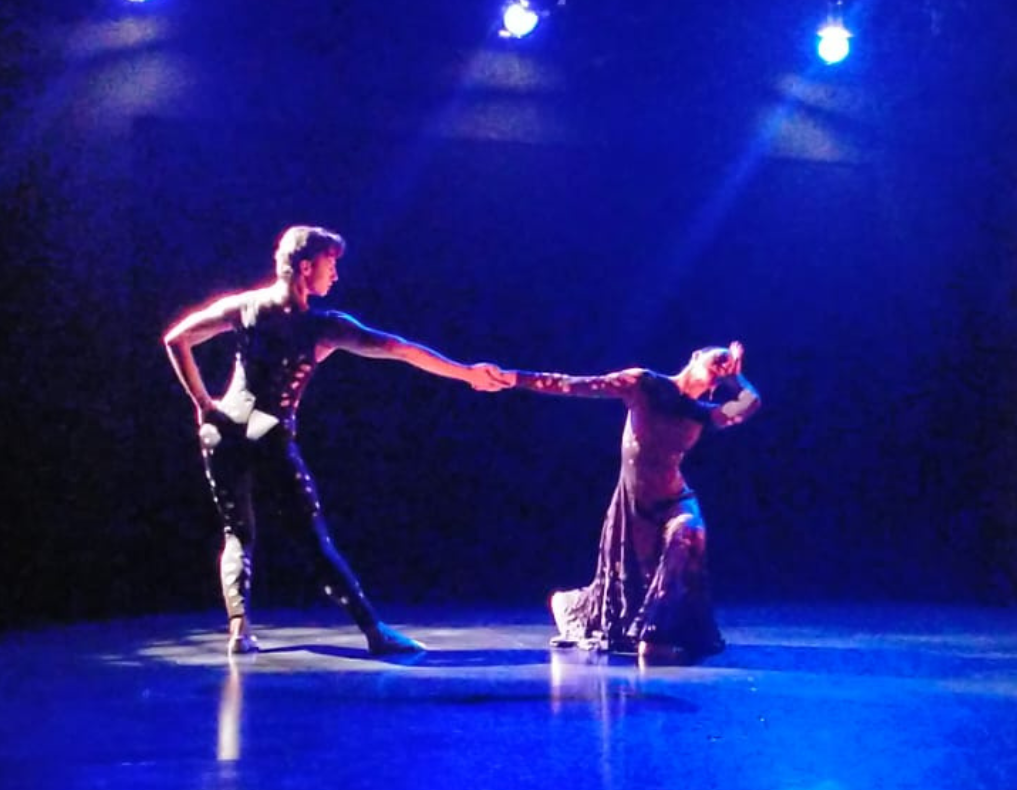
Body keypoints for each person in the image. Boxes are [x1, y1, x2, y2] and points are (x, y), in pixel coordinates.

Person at [162, 225, 508, 655]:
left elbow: (177, 338)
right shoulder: (321, 327)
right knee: (313, 540)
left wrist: (204, 403)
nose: (336, 275)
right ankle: (375, 633)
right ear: (306, 267)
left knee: (238, 533)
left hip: (224, 431)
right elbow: (396, 348)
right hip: (268, 434)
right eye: (332, 264)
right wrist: (466, 374)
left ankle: (239, 631)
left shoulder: (244, 307)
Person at [501, 342, 760, 663]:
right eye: (717, 358)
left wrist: (737, 379)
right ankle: (570, 605)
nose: (722, 365)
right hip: (634, 506)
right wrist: (512, 377)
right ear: (694, 356)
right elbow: (572, 384)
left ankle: (655, 637)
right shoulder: (644, 384)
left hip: (676, 500)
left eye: (726, 365)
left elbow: (750, 403)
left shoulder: (703, 414)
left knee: (689, 532)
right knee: (626, 590)